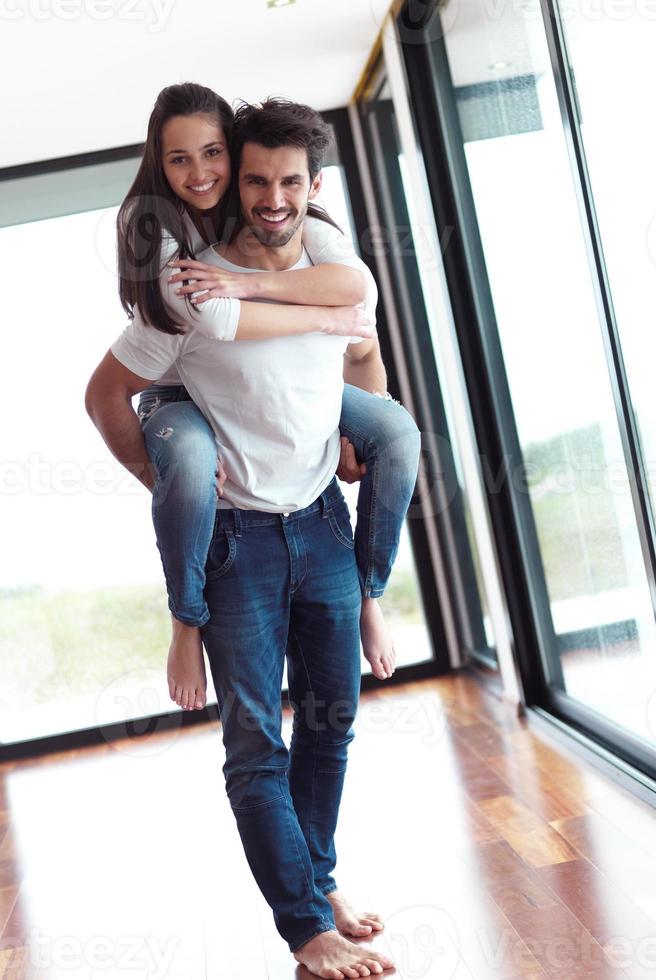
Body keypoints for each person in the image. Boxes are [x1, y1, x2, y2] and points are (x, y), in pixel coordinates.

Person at [87, 95, 409, 978]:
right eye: (252, 176)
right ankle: (306, 929)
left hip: (321, 522)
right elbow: (106, 395)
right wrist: (163, 480)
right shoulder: (187, 284)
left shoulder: (322, 252)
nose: (265, 194)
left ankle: (319, 880)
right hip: (238, 545)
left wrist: (358, 379)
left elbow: (362, 334)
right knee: (258, 744)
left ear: (306, 184)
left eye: (281, 179)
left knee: (333, 721)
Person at [87, 82, 421, 718]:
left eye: (213, 153)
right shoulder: (157, 233)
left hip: (262, 377)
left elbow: (358, 290)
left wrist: (254, 284)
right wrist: (155, 479)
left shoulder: (284, 213)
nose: (200, 172)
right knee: (185, 467)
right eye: (179, 159)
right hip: (178, 391)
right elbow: (215, 323)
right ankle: (187, 620)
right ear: (158, 162)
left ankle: (371, 594)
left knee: (399, 433)